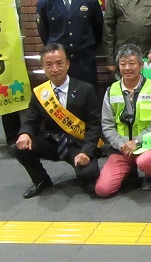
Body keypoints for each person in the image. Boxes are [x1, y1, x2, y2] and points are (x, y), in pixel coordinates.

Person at [13, 44, 101, 198]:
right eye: (49, 64)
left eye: (59, 63)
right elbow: (31, 121)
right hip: (52, 142)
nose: (55, 69)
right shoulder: (40, 93)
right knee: (19, 148)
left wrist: (87, 152)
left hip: (77, 143)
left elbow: (94, 126)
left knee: (88, 174)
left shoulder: (86, 89)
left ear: (68, 64)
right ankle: (41, 180)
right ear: (43, 67)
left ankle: (86, 172)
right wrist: (25, 133)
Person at [96, 44, 151, 196]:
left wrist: (137, 141)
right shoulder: (111, 91)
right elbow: (107, 125)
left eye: (131, 63)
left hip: (146, 146)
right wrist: (121, 144)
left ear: (141, 65)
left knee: (148, 161)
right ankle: (129, 171)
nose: (127, 68)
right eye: (123, 64)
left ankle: (150, 176)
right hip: (121, 148)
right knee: (103, 190)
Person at [36, 0, 104, 88]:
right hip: (58, 66)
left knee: (87, 102)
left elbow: (98, 29)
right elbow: (45, 34)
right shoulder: (45, 2)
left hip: (84, 63)